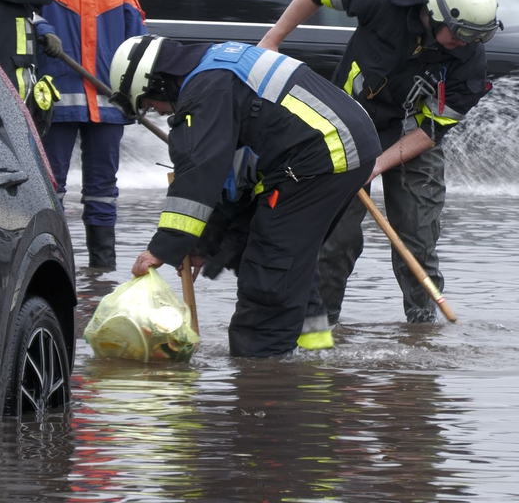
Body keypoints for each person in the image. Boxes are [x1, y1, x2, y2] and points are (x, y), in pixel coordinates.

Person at [109, 36, 382, 357]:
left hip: (321, 156)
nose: (154, 111)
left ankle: (260, 371)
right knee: (286, 257)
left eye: (146, 104)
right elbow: (233, 172)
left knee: (270, 266)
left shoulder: (205, 91)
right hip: (339, 148)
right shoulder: (215, 66)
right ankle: (313, 353)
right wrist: (203, 243)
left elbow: (198, 175)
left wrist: (162, 247)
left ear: (154, 83)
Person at [258, 0, 502, 325]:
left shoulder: (470, 61)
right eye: (462, 32)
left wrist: (374, 166)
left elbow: (430, 132)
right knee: (336, 240)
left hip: (410, 136)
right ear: (435, 12)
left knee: (417, 240)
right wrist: (272, 41)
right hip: (343, 129)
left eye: (477, 36)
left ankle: (423, 334)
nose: (466, 43)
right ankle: (321, 330)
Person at [35, 0, 147, 270]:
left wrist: (138, 90)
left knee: (104, 191)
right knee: (51, 186)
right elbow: (23, 14)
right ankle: (52, 268)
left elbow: (136, 32)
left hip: (107, 98)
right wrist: (42, 29)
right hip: (57, 96)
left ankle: (102, 273)